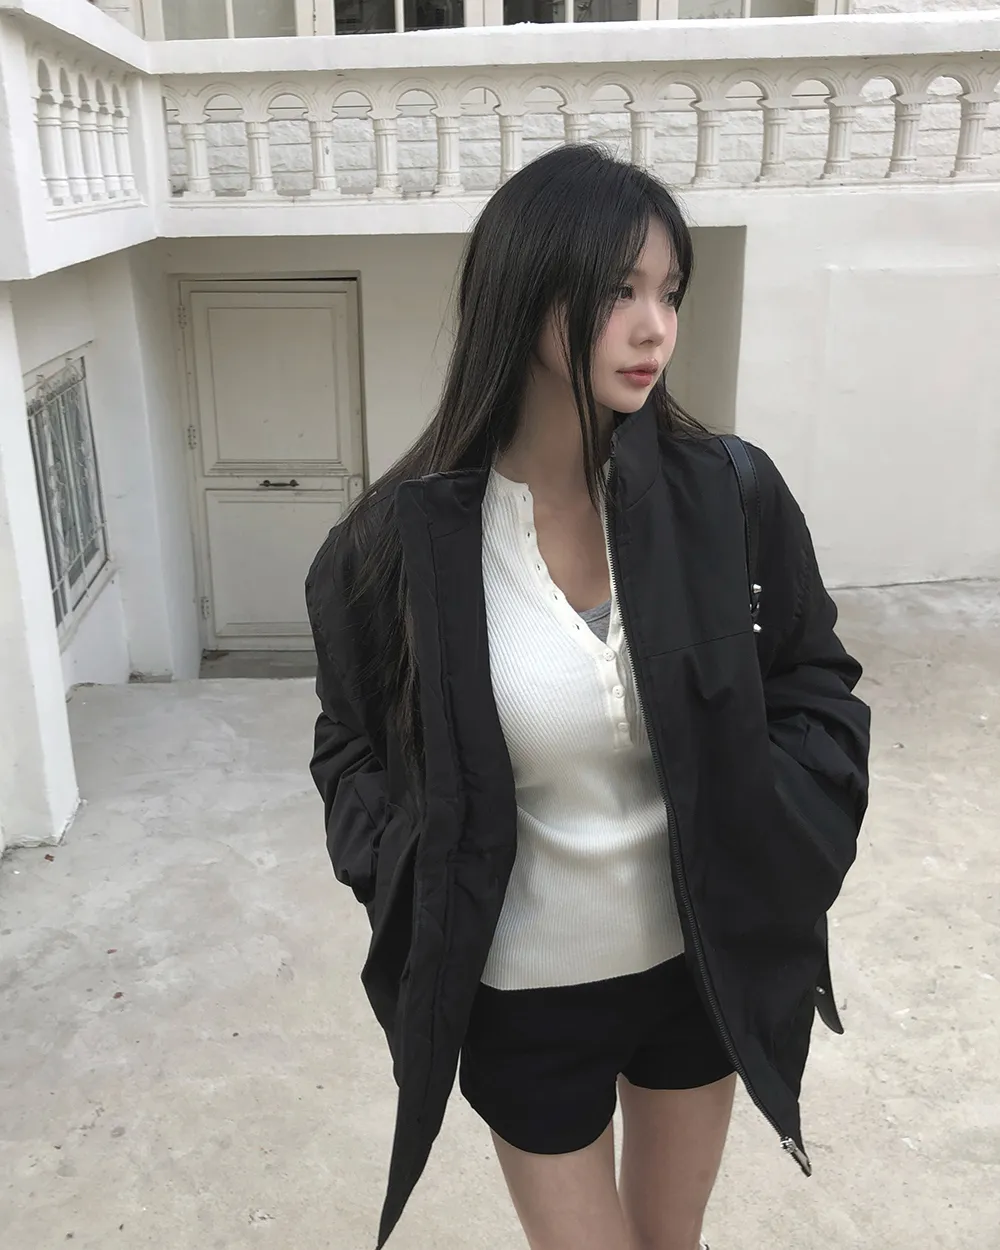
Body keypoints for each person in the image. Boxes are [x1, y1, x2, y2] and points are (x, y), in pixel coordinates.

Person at [305, 144, 870, 1250]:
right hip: (525, 996)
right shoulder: (394, 550)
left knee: (672, 1239)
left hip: (698, 969)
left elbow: (814, 682)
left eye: (669, 291)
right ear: (523, 292)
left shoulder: (730, 495)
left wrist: (781, 838)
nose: (654, 327)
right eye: (617, 290)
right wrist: (414, 874)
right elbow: (350, 749)